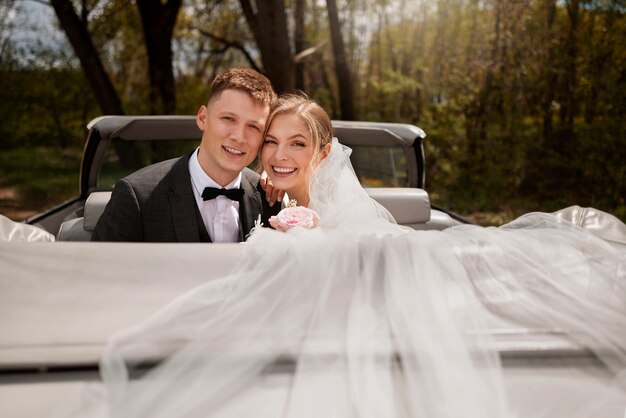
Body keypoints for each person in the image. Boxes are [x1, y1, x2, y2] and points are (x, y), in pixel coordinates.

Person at [92, 96, 626, 417]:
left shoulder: (329, 219)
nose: (279, 155)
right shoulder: (256, 196)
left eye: (297, 144)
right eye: (271, 141)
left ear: (323, 154)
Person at [92, 67, 282, 243]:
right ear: (203, 118)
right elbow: (100, 271)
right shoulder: (137, 196)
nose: (239, 137)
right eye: (228, 118)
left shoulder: (269, 198)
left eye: (253, 127)